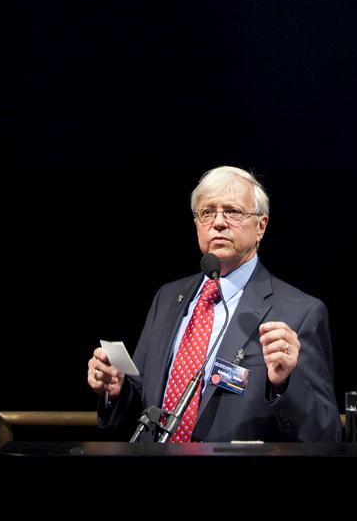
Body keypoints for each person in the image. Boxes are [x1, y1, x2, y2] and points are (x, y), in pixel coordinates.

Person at [86, 165, 342, 442]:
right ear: (196, 224)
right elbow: (142, 403)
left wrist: (284, 386)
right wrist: (117, 389)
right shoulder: (167, 298)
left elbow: (326, 433)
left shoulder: (300, 312)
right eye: (207, 212)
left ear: (261, 226)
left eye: (232, 212)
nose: (218, 222)